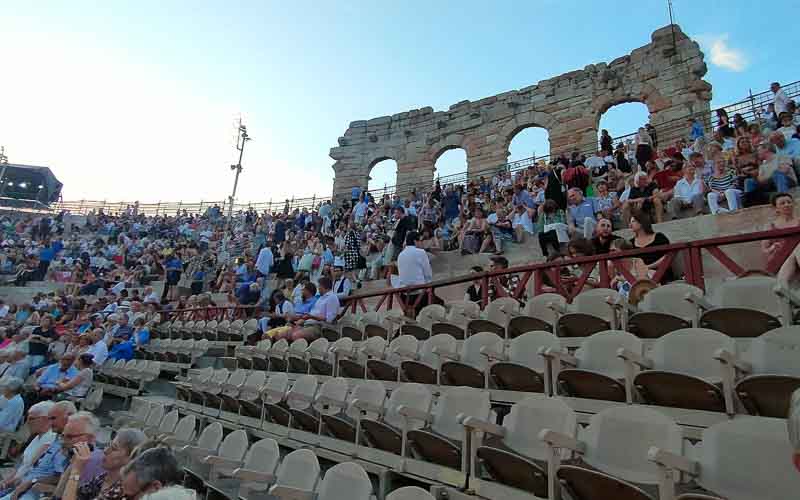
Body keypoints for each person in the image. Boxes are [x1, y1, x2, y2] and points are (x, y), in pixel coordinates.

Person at [0, 401, 77, 500]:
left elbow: (60, 476)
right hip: (22, 487)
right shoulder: (55, 439)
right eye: (49, 418)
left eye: (53, 418)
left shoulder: (63, 444)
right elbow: (27, 466)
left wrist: (30, 482)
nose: (50, 422)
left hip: (34, 492)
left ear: (69, 417)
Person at [61, 428, 147, 500]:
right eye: (109, 445)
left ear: (130, 459)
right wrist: (73, 465)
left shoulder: (122, 490)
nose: (105, 451)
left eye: (113, 448)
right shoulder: (103, 478)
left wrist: (77, 470)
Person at [0, 402, 56, 488]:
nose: (27, 422)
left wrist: (6, 484)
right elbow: (22, 466)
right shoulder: (38, 437)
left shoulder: (50, 438)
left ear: (45, 419)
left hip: (23, 486)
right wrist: (5, 481)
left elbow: (29, 470)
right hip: (14, 483)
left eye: (31, 419)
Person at [628, 211, 673, 282]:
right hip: (639, 276)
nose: (630, 225)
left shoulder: (659, 237)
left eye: (633, 221)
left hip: (661, 273)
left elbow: (668, 256)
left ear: (641, 222)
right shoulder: (630, 243)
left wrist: (648, 267)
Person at [292, 277, 339, 342]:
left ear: (323, 286)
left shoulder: (332, 298)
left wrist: (311, 317)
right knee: (287, 333)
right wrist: (304, 319)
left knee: (295, 335)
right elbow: (312, 314)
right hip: (308, 324)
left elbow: (329, 319)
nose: (318, 288)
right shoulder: (320, 298)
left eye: (319, 286)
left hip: (319, 327)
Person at [762, 193, 800, 263]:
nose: (787, 205)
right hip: (780, 260)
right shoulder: (770, 226)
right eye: (782, 203)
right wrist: (772, 247)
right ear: (775, 208)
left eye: (789, 202)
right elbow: (765, 251)